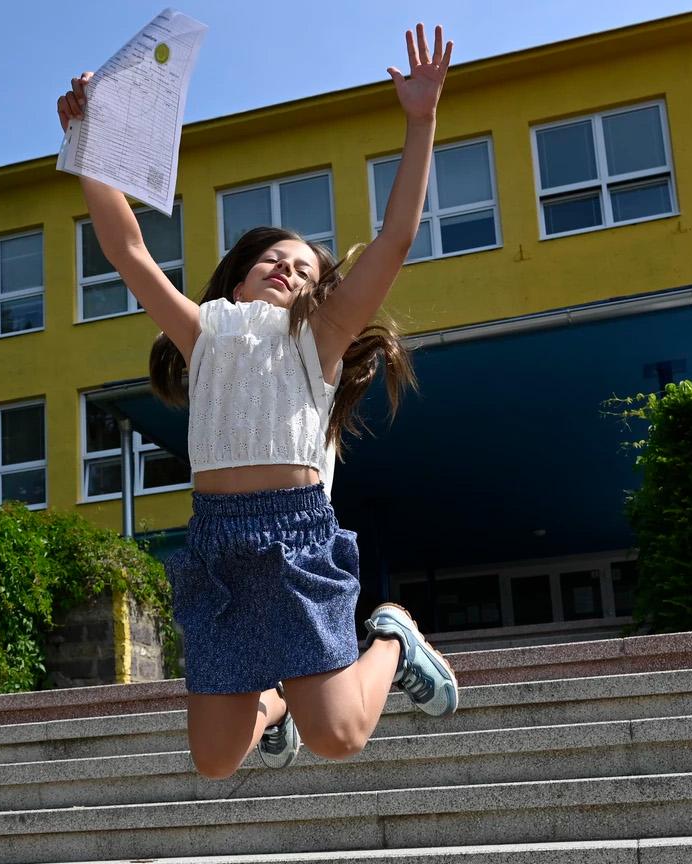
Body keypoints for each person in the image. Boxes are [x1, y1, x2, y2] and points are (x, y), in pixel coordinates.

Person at [57, 23, 458, 780]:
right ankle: (272, 706)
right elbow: (127, 249)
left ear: (321, 292)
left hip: (296, 537)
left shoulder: (321, 338)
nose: (286, 265)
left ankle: (395, 638)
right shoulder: (206, 331)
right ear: (240, 277)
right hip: (218, 544)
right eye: (273, 256)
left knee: (339, 733)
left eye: (305, 266)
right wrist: (88, 143)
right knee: (213, 760)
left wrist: (421, 119)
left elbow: (397, 238)